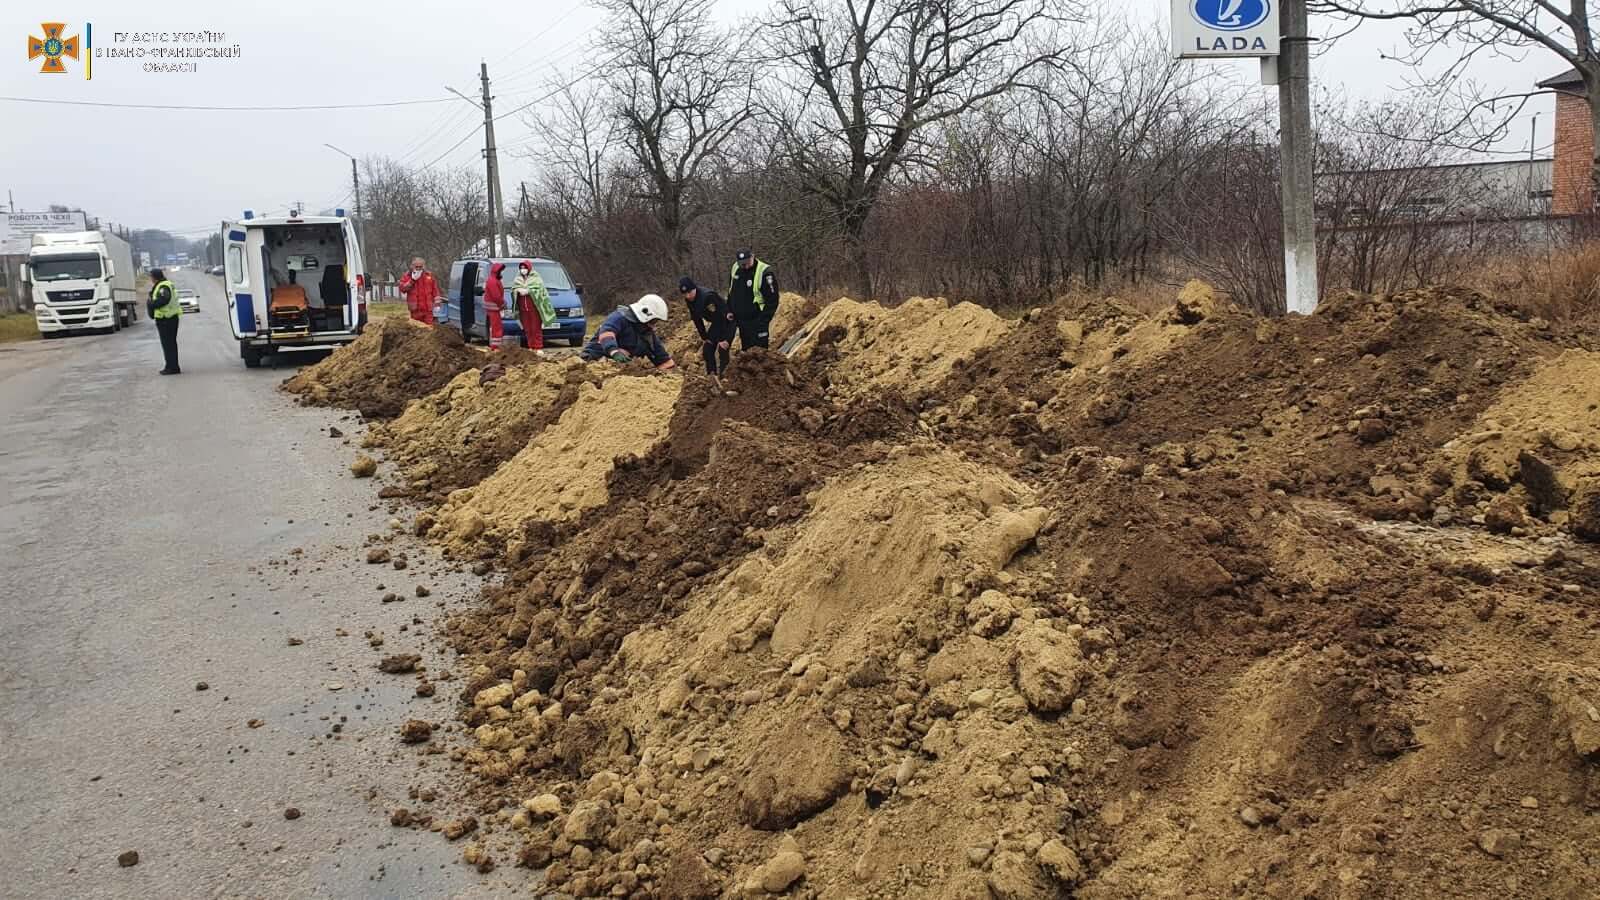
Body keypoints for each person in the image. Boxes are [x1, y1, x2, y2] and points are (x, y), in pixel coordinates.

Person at [580, 294, 676, 370]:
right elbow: (607, 333)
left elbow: (662, 358)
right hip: (592, 362)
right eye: (653, 321)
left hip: (620, 373)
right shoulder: (619, 318)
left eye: (655, 322)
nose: (653, 325)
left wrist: (671, 372)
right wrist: (614, 352)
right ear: (645, 313)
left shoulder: (648, 335)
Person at [678, 276, 734, 380]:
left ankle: (725, 377)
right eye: (685, 294)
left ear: (694, 288)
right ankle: (712, 377)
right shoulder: (690, 301)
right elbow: (697, 319)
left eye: (690, 292)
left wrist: (723, 338)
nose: (688, 295)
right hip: (716, 323)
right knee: (707, 349)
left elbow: (722, 316)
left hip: (727, 321)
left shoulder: (708, 297)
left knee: (723, 347)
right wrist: (704, 336)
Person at [727, 249, 779, 350]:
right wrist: (729, 309)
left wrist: (764, 321)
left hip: (758, 320)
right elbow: (731, 291)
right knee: (747, 353)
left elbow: (772, 300)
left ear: (752, 257)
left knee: (760, 353)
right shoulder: (735, 268)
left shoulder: (764, 272)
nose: (744, 266)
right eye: (742, 264)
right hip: (742, 321)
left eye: (747, 263)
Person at [511, 260, 556, 353]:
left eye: (525, 268)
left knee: (536, 327)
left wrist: (529, 291)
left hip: (534, 307)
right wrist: (517, 290)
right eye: (521, 268)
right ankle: (531, 346)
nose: (523, 270)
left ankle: (538, 346)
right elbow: (513, 289)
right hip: (523, 308)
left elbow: (540, 290)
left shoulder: (536, 278)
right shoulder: (517, 278)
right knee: (527, 328)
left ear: (529, 268)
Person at [147, 268, 182, 375]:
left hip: (166, 319)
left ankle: (171, 367)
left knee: (168, 344)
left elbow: (164, 299)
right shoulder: (167, 284)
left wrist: (151, 303)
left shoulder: (163, 286)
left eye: (151, 276)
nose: (151, 279)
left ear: (155, 277)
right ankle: (172, 366)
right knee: (170, 344)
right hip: (170, 318)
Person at [398, 257, 439, 325]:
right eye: (416, 267)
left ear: (424, 266)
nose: (418, 268)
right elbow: (402, 289)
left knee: (429, 330)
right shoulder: (407, 276)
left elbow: (435, 291)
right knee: (417, 330)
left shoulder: (429, 275)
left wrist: (437, 304)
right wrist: (412, 280)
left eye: (420, 267)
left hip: (428, 310)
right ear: (412, 266)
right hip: (415, 310)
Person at [483, 262, 507, 350]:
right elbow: (496, 296)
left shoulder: (492, 280)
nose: (501, 273)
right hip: (494, 308)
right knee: (497, 328)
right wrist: (503, 304)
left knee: (495, 327)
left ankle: (495, 346)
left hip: (494, 308)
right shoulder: (493, 281)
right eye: (500, 271)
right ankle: (496, 347)